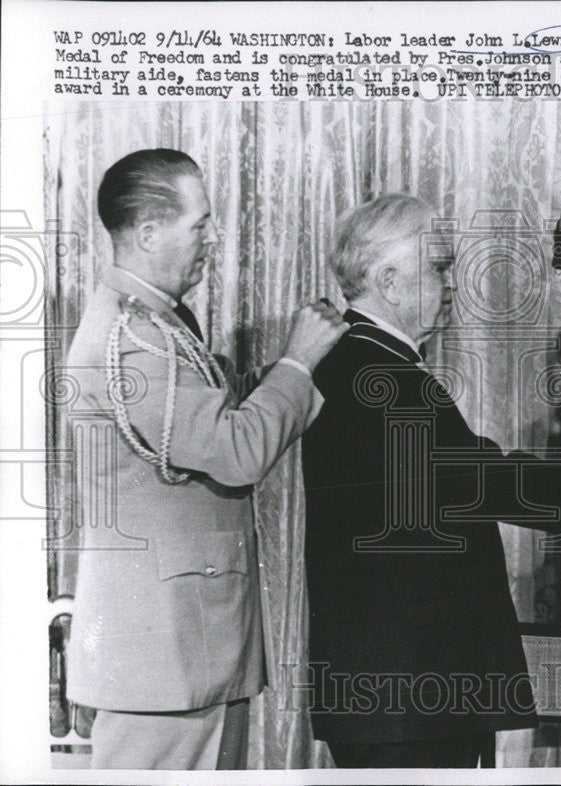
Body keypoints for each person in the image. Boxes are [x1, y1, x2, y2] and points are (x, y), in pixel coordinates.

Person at [301, 193, 561, 768]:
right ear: (390, 281)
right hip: (409, 687)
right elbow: (477, 479)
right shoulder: (378, 371)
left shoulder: (363, 360)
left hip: (404, 687)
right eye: (438, 266)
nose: (451, 282)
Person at [63, 149, 347, 769]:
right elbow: (236, 453)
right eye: (201, 224)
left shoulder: (154, 327)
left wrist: (290, 374)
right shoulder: (131, 340)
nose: (214, 239)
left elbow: (208, 420)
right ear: (147, 233)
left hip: (186, 651)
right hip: (163, 660)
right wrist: (297, 363)